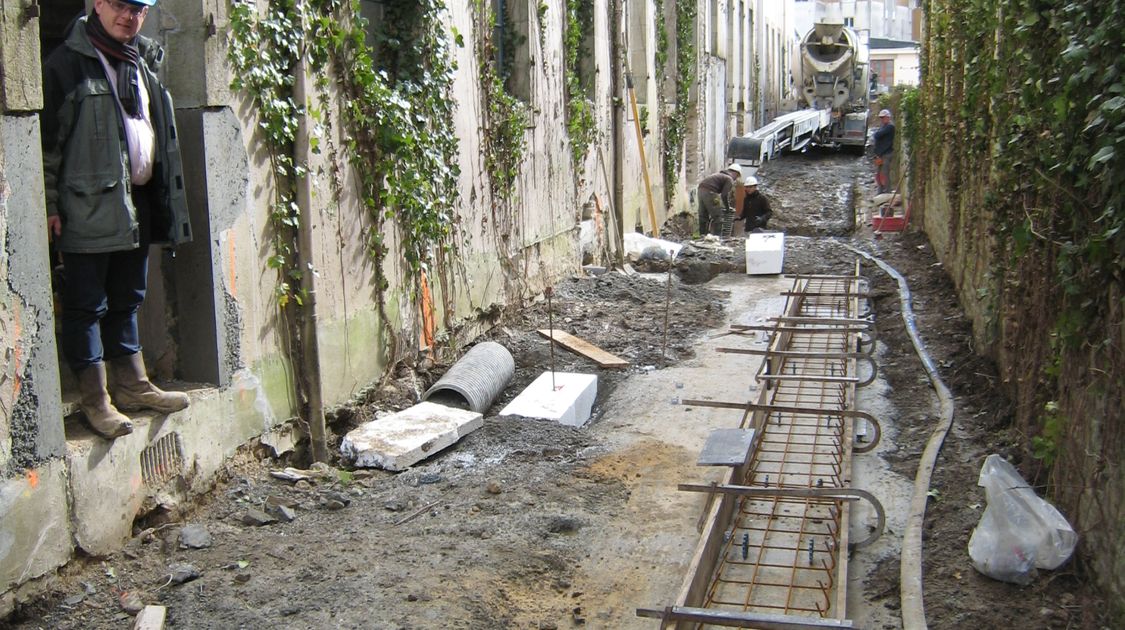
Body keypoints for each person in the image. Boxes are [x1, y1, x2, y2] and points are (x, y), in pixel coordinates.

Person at [42, 0, 192, 439]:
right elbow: (47, 146)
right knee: (87, 304)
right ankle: (95, 400)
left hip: (136, 201)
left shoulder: (140, 61)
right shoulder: (66, 64)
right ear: (100, 4)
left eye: (140, 9)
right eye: (122, 6)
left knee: (128, 297)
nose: (130, 16)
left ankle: (132, 384)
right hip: (86, 207)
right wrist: (50, 206)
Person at [697, 163, 742, 236]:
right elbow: (724, 195)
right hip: (710, 192)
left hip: (700, 190)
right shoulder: (729, 179)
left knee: (703, 216)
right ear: (735, 173)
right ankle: (717, 238)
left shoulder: (719, 175)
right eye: (737, 176)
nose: (736, 178)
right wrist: (727, 207)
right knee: (718, 218)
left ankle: (702, 236)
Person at [873, 108, 895, 194]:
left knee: (885, 174)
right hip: (881, 154)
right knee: (879, 174)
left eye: (883, 117)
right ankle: (880, 191)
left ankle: (887, 191)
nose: (882, 119)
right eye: (881, 118)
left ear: (888, 117)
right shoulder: (884, 127)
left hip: (886, 154)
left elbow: (878, 135)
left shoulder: (890, 127)